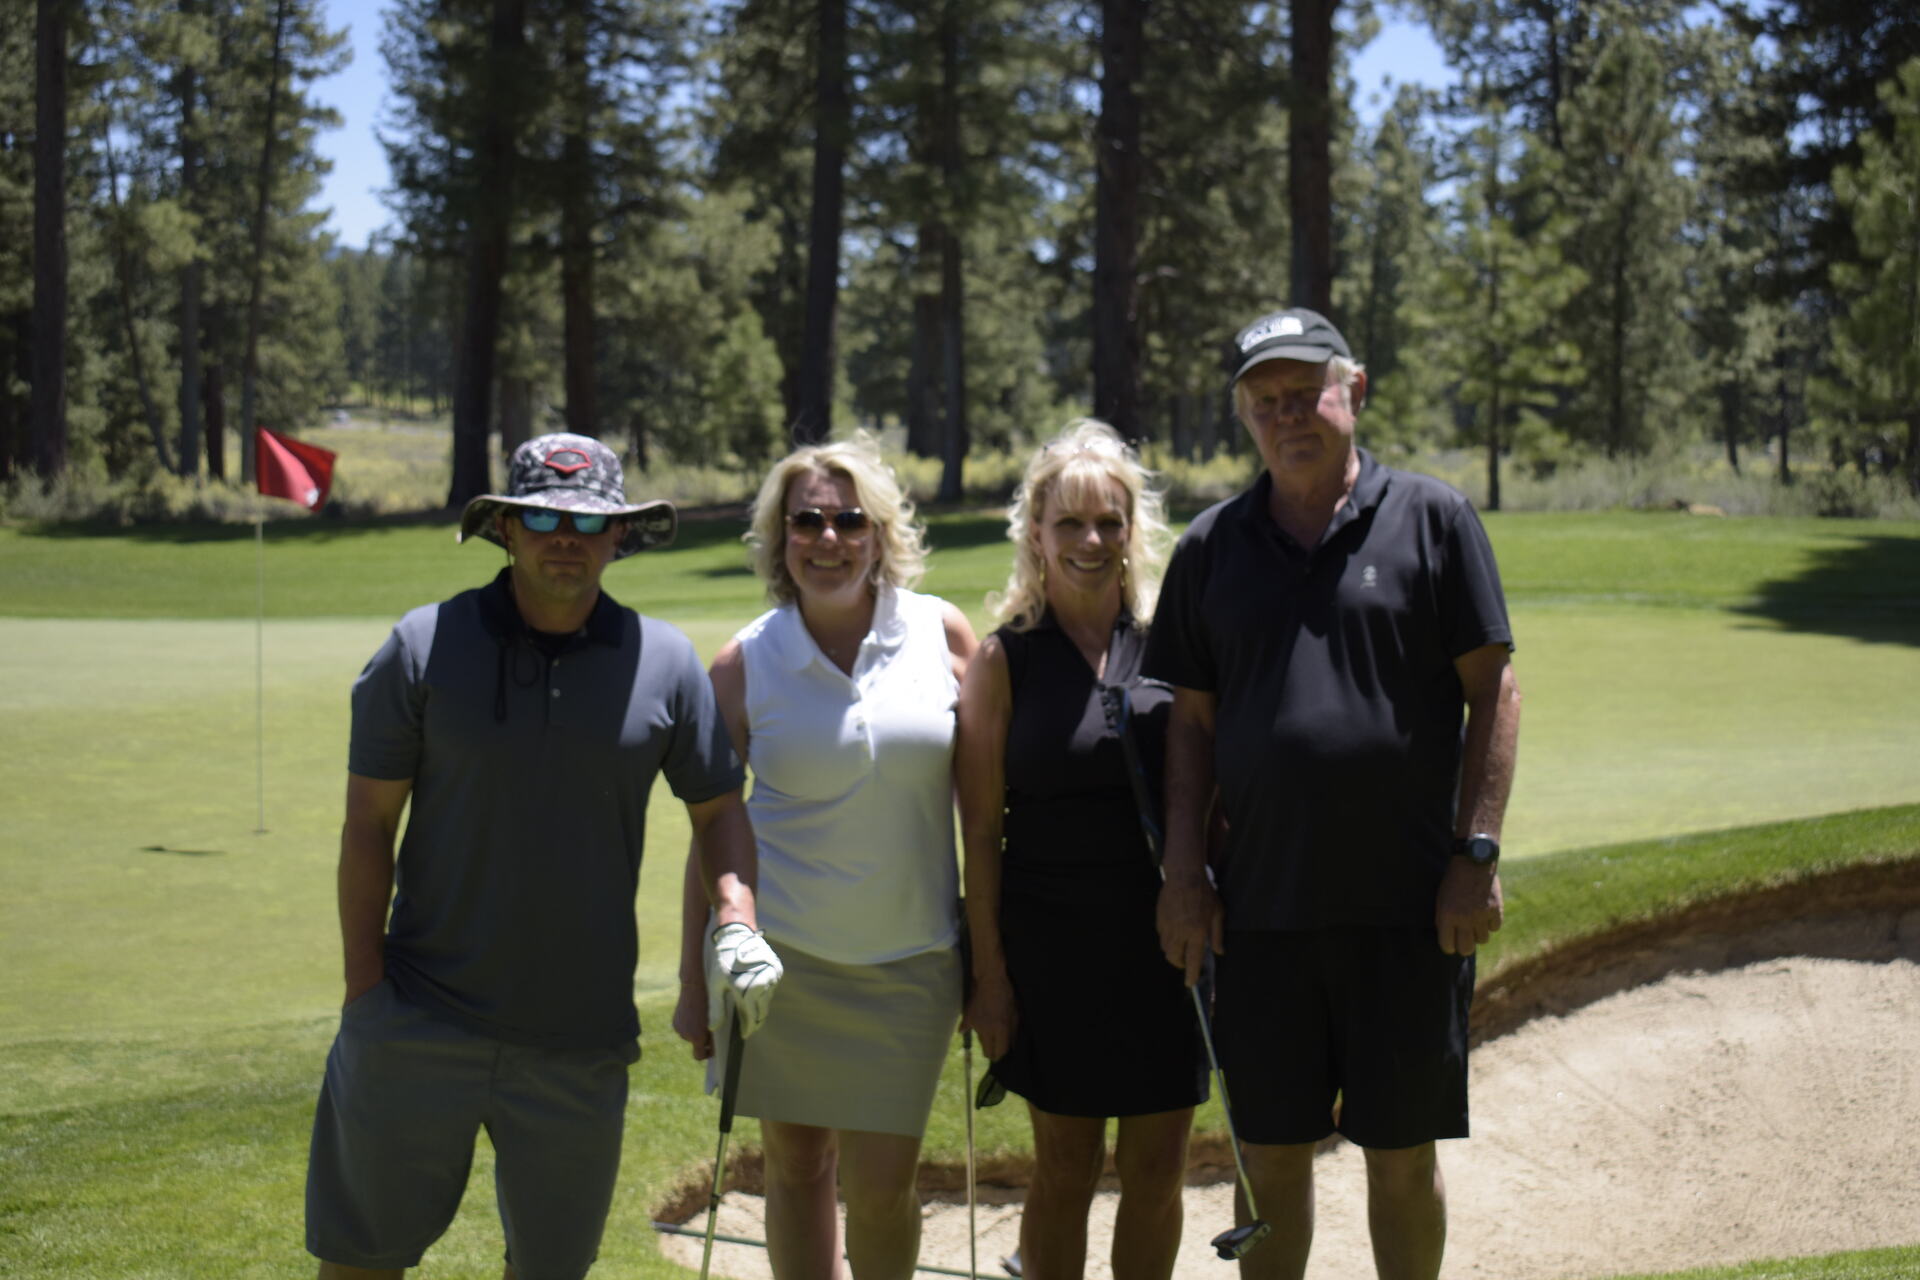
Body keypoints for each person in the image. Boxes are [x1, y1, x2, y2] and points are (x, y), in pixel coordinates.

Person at [305, 433, 782, 1280]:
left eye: (588, 519)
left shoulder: (666, 664)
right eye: (543, 515)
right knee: (361, 1262)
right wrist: (365, 996)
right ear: (507, 530)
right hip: (418, 1019)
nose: (565, 534)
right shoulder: (421, 647)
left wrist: (737, 921)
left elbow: (719, 812)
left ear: (619, 537)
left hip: (580, 1042)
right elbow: (367, 826)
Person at [1147, 309, 1521, 1280]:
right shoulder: (1209, 548)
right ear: (1246, 418)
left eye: (1305, 391)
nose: (1287, 414)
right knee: (1269, 1164)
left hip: (1406, 913)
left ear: (1351, 391)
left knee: (1400, 1157)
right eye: (1264, 401)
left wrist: (1473, 853)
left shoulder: (1434, 519)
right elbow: (1188, 724)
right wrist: (1183, 872)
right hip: (1260, 915)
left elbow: (1496, 689)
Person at [673, 434, 977, 1280]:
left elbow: (986, 816)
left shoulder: (944, 635)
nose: (829, 539)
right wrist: (696, 983)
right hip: (781, 963)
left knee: (884, 1189)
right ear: (781, 538)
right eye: (806, 520)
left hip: (913, 959)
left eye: (850, 519)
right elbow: (710, 832)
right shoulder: (742, 663)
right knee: (797, 1169)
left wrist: (991, 954)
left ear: (881, 533)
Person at [955, 419, 1206, 1280]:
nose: (1091, 541)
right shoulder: (1004, 661)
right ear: (1036, 533)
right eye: (1070, 523)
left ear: (1134, 530)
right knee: (1064, 1169)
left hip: (1166, 945)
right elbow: (980, 836)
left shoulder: (1176, 647)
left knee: (1157, 1172)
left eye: (1110, 521)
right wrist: (988, 977)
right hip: (1050, 951)